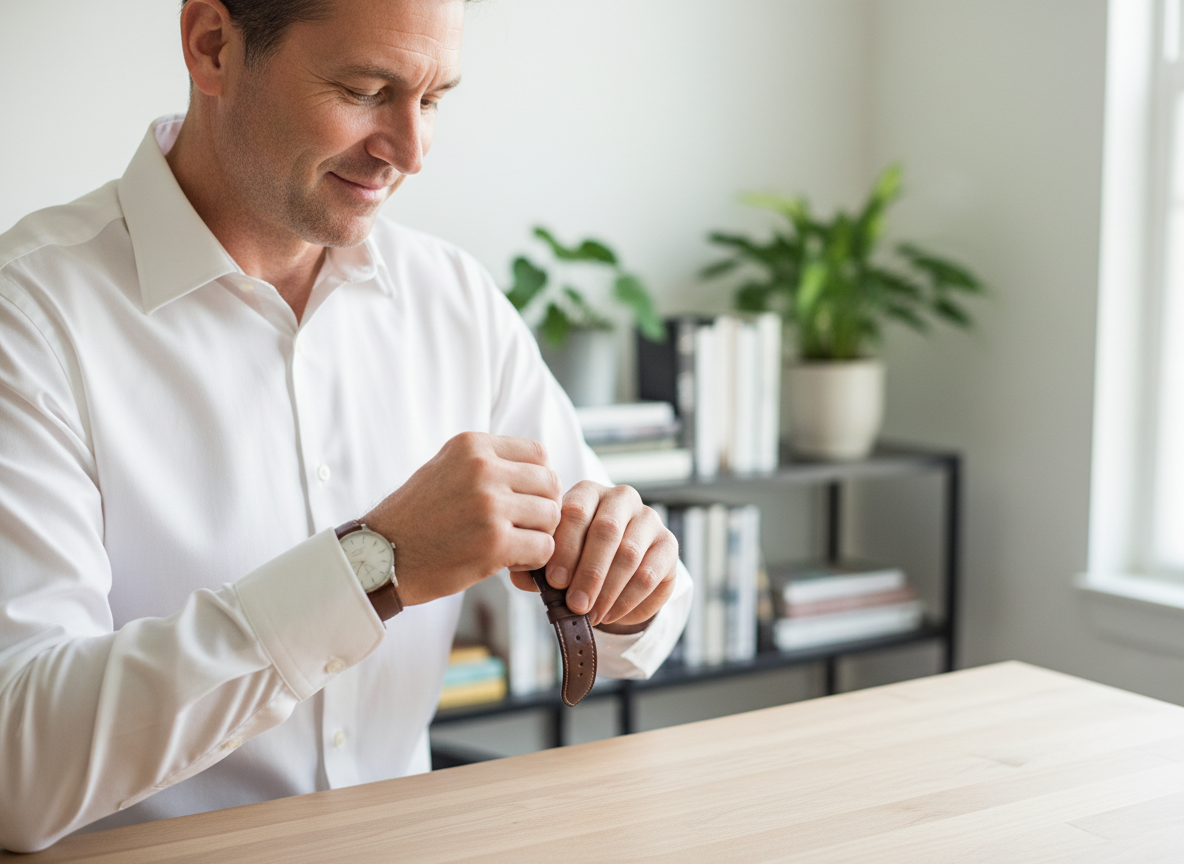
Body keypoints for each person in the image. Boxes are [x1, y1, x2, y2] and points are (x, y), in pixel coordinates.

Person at [0, 0, 691, 852]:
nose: (411, 151)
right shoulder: (28, 322)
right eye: (367, 90)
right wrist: (375, 564)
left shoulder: (454, 303)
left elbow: (642, 631)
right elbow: (15, 772)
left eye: (433, 100)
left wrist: (631, 583)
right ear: (212, 45)